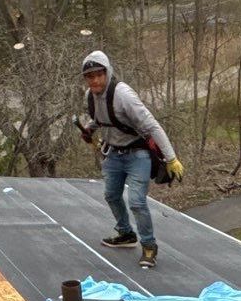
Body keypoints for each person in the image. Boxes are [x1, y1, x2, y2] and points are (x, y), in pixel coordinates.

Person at [76, 50, 183, 270]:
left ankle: (149, 246)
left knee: (136, 201)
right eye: (89, 76)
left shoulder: (123, 95)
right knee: (111, 195)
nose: (94, 79)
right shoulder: (90, 96)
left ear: (107, 72)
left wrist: (171, 158)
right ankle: (126, 234)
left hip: (138, 154)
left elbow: (152, 126)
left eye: (98, 74)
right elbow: (100, 118)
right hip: (114, 154)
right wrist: (89, 129)